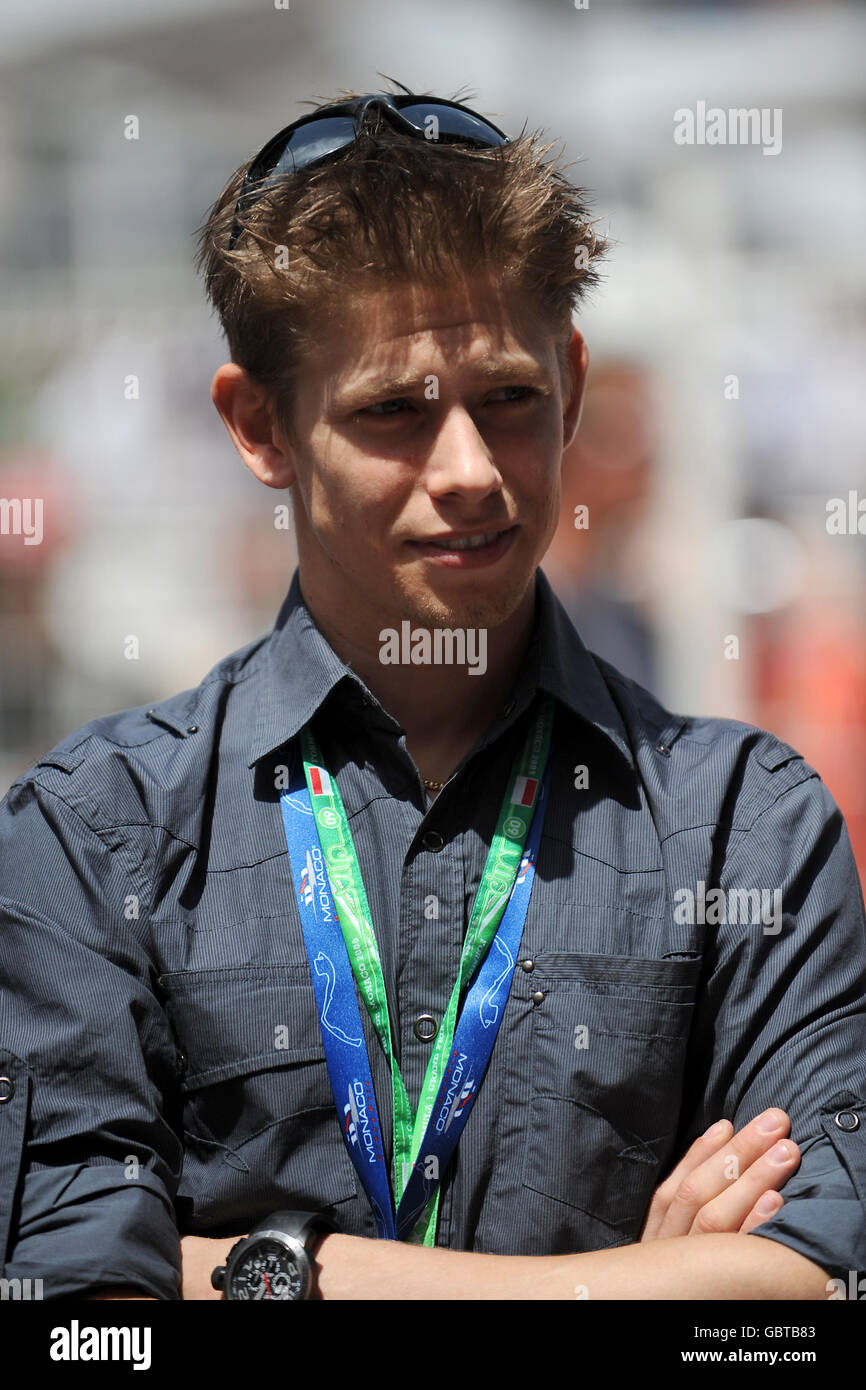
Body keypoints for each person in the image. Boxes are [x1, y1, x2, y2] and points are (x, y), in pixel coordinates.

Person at [1, 85, 864, 1302]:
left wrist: (269, 1277)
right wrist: (644, 1280)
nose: (468, 471)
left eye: (505, 397)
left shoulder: (747, 824)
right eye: (394, 412)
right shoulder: (92, 834)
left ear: (568, 381)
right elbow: (79, 1312)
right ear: (259, 426)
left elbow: (816, 1290)